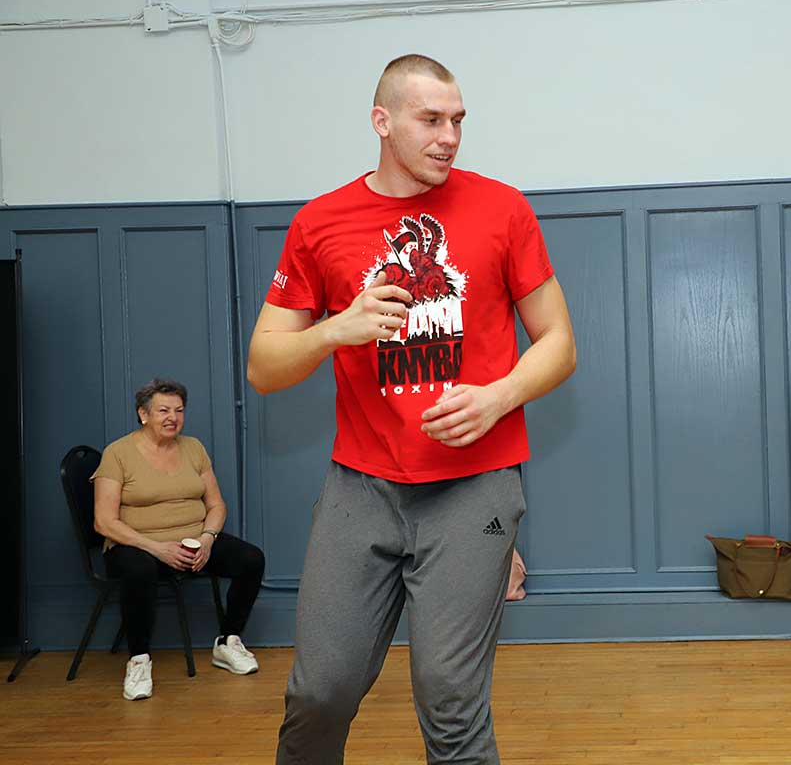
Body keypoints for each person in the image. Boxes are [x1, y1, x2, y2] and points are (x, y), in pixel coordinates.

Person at [247, 54, 576, 765]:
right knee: (320, 691)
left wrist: (498, 397)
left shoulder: (502, 208)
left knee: (450, 697)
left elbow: (559, 343)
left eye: (457, 120)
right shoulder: (320, 223)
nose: (448, 136)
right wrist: (335, 330)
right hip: (361, 488)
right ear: (382, 121)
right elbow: (263, 367)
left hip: (474, 487)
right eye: (430, 119)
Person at [92, 378, 266, 701]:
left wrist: (207, 539)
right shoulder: (117, 453)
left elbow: (216, 505)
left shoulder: (194, 448)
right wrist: (157, 549)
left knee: (251, 559)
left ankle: (227, 641)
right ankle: (139, 660)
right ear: (143, 414)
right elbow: (103, 521)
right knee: (139, 570)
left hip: (193, 543)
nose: (173, 417)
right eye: (163, 411)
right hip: (137, 545)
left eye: (179, 410)